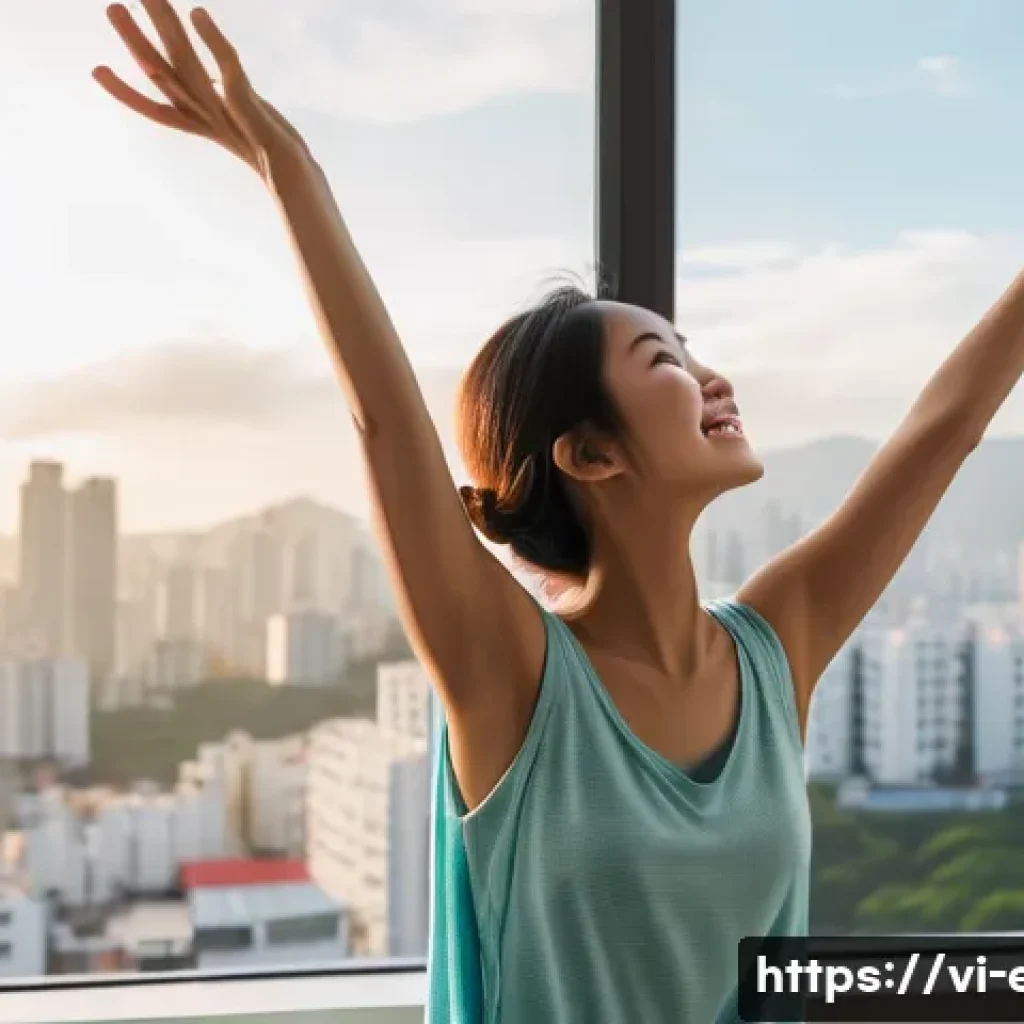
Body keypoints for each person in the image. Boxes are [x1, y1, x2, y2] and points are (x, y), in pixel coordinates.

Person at [94, 4, 1024, 1021]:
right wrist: (290, 169)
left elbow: (944, 428)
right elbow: (385, 426)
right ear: (587, 453)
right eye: (664, 361)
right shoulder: (513, 676)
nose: (711, 377)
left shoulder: (773, 646)